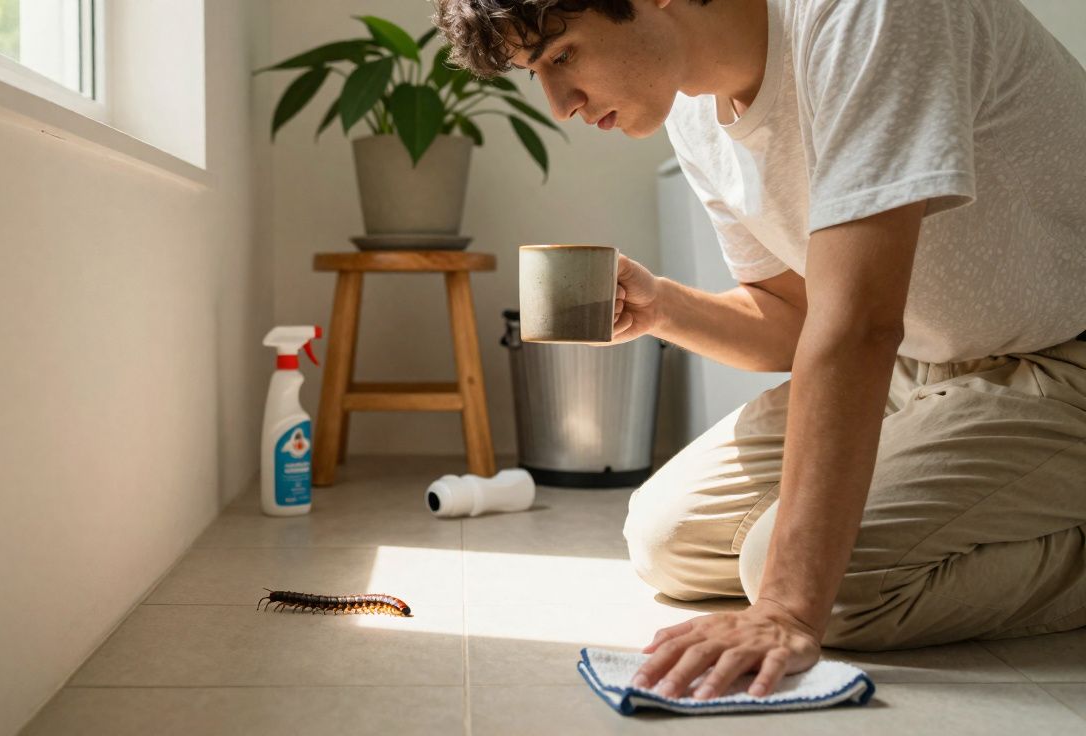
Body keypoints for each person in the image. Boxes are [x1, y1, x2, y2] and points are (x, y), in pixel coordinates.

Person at [433, 0, 1086, 701]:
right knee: (668, 541)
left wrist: (785, 609)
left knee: (831, 589)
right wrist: (662, 307)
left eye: (563, 57)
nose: (560, 105)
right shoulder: (692, 108)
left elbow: (859, 325)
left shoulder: (868, 15)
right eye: (538, 73)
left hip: (1062, 355)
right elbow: (795, 319)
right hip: (928, 366)